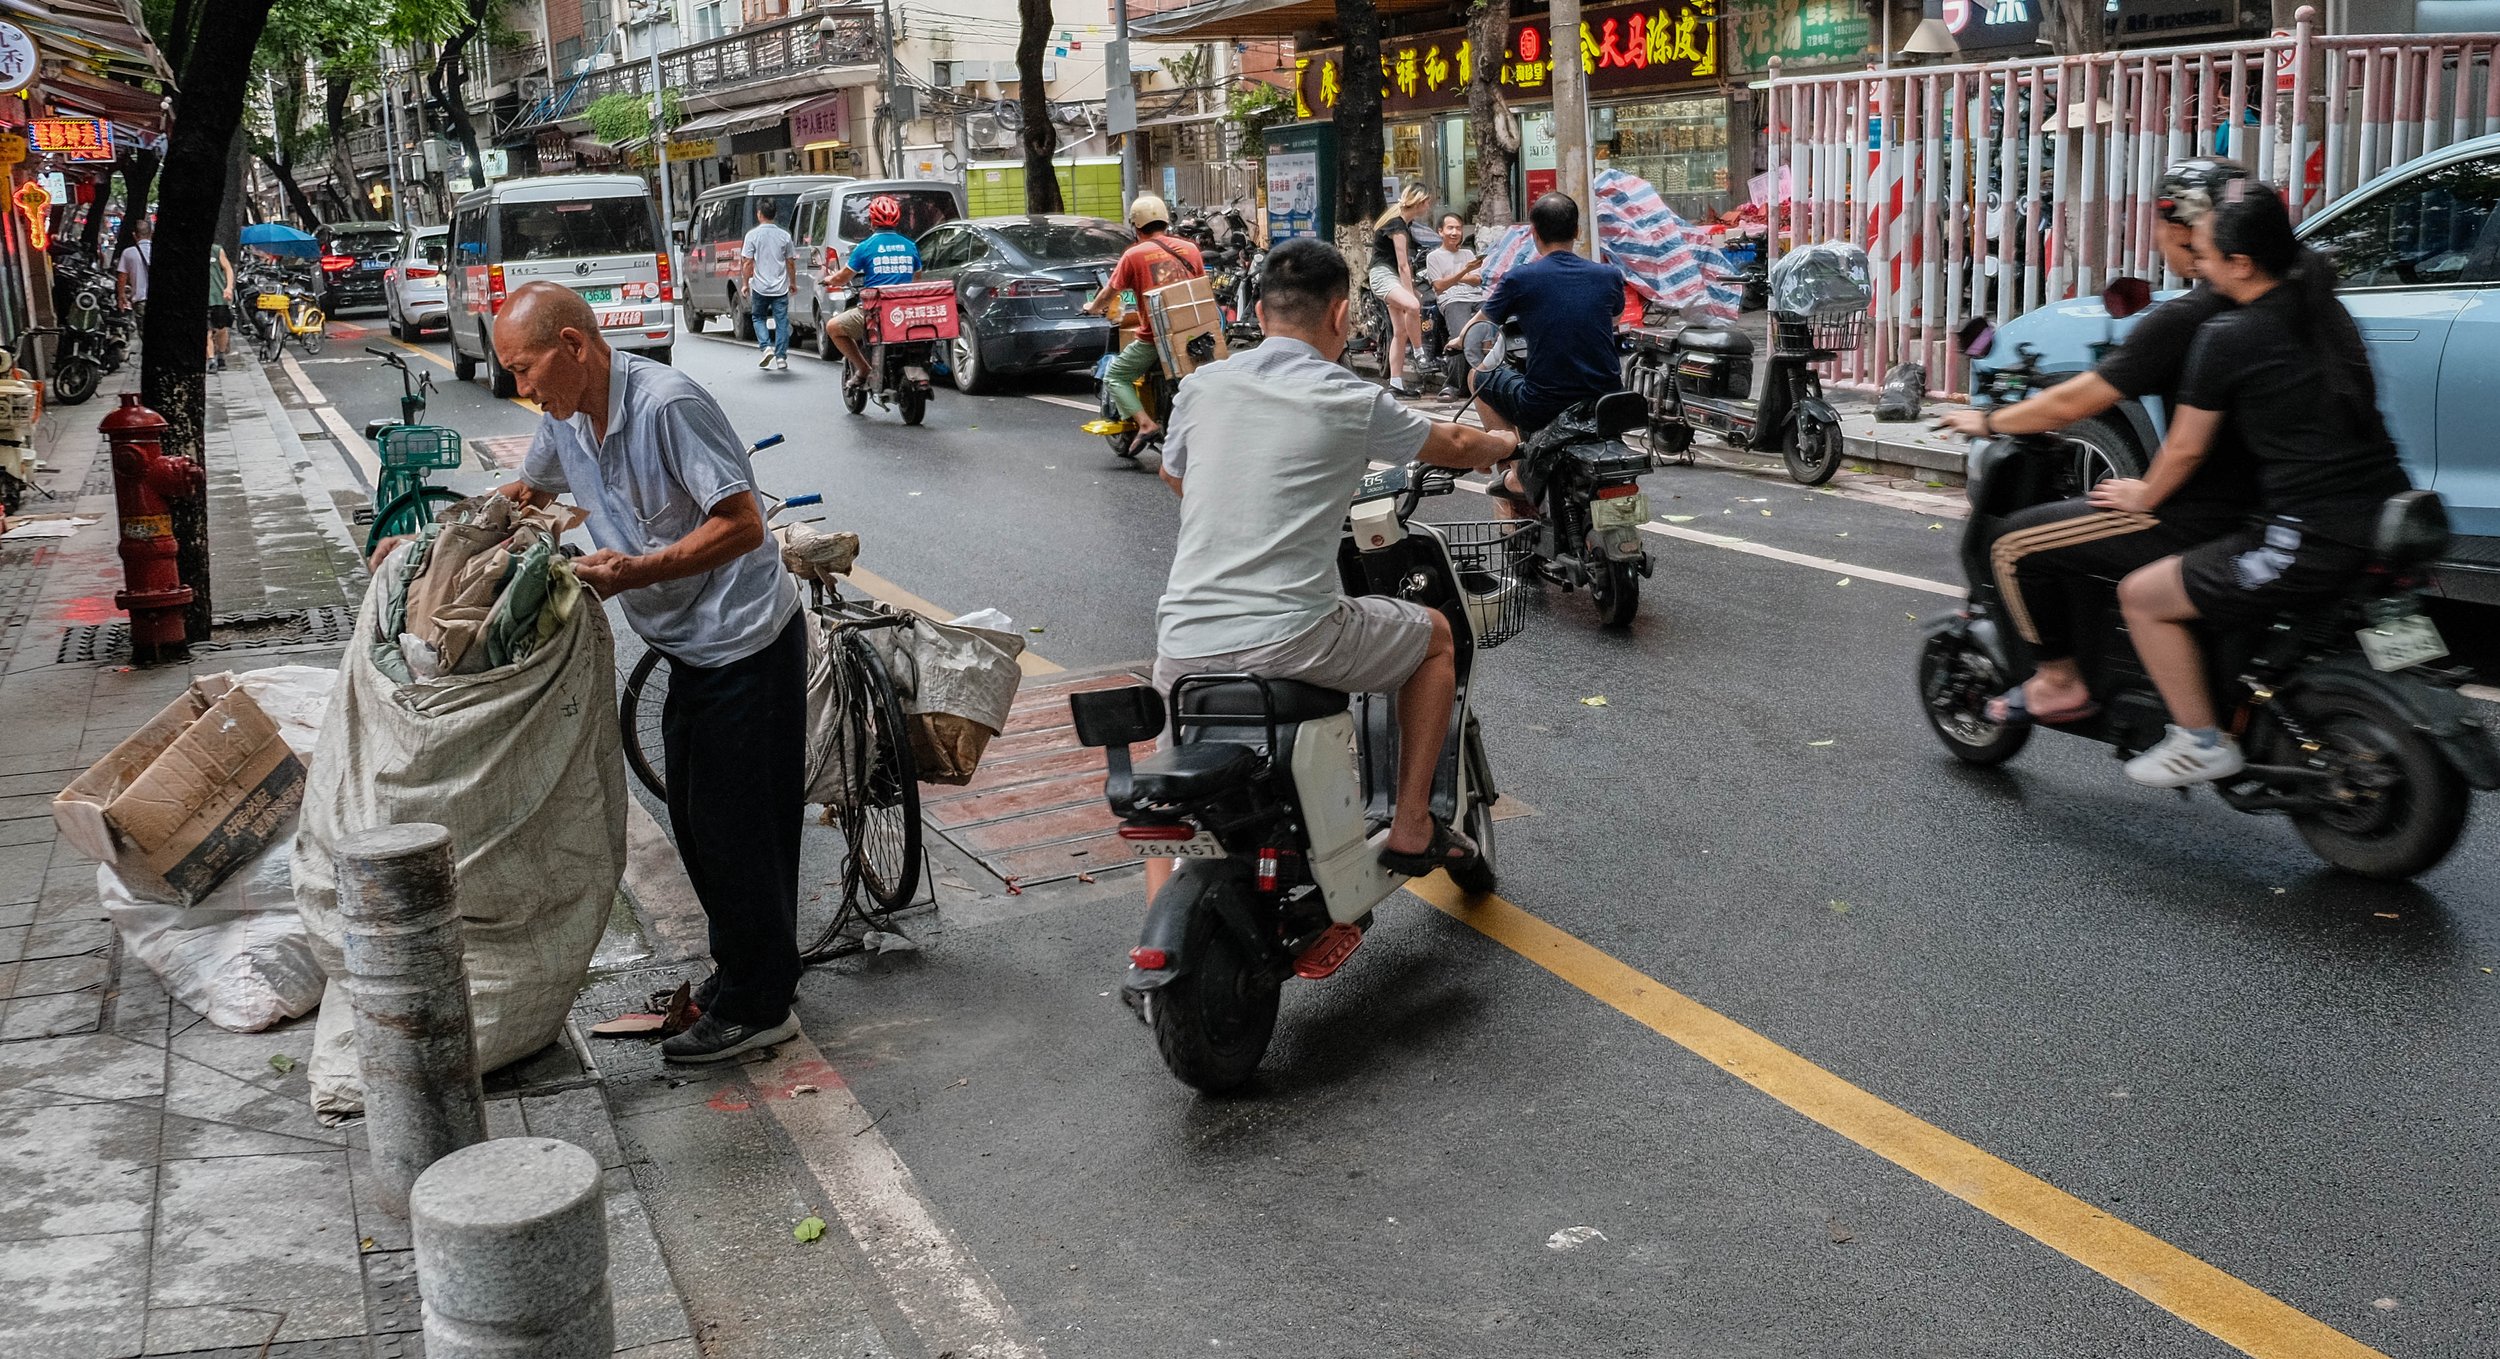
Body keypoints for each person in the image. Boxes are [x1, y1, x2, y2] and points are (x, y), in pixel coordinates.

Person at [489, 281, 808, 1063]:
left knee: (739, 830)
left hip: (748, 641)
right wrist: (443, 542)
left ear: (572, 347)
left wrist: (631, 571)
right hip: (687, 648)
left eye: (526, 369)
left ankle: (764, 1003)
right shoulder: (564, 420)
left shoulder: (666, 404)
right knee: (699, 822)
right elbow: (525, 493)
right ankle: (741, 976)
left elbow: (741, 525)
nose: (519, 388)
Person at [1146, 237, 1518, 903]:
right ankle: (1409, 825)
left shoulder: (1202, 386)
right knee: (1435, 636)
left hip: (1182, 648)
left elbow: (1177, 477)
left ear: (1259, 314)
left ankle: (1153, 933)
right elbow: (1458, 443)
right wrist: (1511, 441)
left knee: (1167, 812)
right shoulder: (1346, 395)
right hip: (1292, 637)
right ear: (1343, 316)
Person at [2108, 181, 2412, 787]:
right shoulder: (2324, 307)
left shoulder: (2229, 336)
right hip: (2390, 511)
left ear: (2241, 264)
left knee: (2143, 596)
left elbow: (2188, 447)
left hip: (2311, 533)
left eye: (2208, 254)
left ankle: (2200, 742)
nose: (2199, 263)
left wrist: (2141, 494)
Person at [1937, 158, 2258, 727]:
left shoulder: (2192, 317)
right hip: (2269, 505)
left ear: (2181, 227)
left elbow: (2077, 401)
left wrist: (1986, 423)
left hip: (2204, 510)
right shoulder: (2284, 303)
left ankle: (2059, 681)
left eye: (2162, 223)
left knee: (2011, 546)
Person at [1473, 192, 1625, 441]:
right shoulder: (1609, 275)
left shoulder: (1520, 278)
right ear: (1577, 231)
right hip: (1606, 399)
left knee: (1477, 377)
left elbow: (1482, 321)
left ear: (1534, 234)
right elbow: (1614, 320)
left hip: (1542, 404)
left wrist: (1458, 342)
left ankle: (1514, 466)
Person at [1082, 194, 1204, 443]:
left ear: (1135, 226)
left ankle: (1146, 424)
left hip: (1156, 337)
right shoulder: (1191, 250)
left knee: (1115, 375)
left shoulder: (1134, 255)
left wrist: (1094, 307)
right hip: (1196, 333)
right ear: (1166, 222)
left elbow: (1110, 292)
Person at [822, 195, 921, 390]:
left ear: (872, 221)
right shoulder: (910, 246)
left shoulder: (864, 248)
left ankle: (863, 369)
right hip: (905, 312)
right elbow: (917, 280)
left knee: (833, 327)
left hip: (874, 314)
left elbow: (842, 278)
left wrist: (828, 279)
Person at [1365, 184, 1434, 396]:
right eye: (1428, 202)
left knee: (1400, 331)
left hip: (1389, 276)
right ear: (1420, 202)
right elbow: (1403, 264)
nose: (1429, 206)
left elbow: (1404, 268)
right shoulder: (1398, 226)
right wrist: (1411, 292)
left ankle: (1396, 383)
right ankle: (1420, 353)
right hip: (1383, 276)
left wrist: (1410, 287)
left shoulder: (1401, 222)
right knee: (1414, 305)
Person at [741, 199, 798, 371]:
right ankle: (781, 357)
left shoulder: (752, 236)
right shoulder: (784, 236)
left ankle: (766, 348)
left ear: (759, 214)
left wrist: (745, 284)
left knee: (758, 317)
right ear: (775, 214)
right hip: (780, 287)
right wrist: (792, 282)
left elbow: (747, 263)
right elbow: (790, 262)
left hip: (759, 286)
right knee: (781, 321)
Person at [1424, 211, 1485, 356]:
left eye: (1458, 228)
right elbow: (1439, 286)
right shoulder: (1433, 257)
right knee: (1462, 339)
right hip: (1453, 300)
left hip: (1477, 298)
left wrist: (1453, 278)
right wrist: (1465, 271)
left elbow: (1477, 280)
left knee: (1494, 331)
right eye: (1450, 228)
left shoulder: (1468, 253)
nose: (1454, 232)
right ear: (1440, 231)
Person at [206, 242, 235, 372]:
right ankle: (211, 361)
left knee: (221, 329)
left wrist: (228, 287)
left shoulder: (216, 250)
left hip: (218, 297)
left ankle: (221, 356)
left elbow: (228, 269)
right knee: (206, 331)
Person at [116, 220, 152, 322]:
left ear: (134, 235)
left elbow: (122, 276)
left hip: (140, 300)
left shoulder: (128, 253)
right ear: (151, 233)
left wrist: (121, 296)